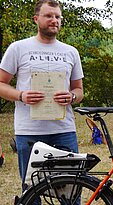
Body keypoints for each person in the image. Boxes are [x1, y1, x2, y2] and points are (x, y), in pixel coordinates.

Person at [0, 0, 84, 188]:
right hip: (29, 131)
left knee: (70, 188)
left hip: (64, 130)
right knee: (32, 189)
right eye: (49, 16)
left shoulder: (71, 52)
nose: (54, 20)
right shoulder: (18, 48)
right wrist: (21, 95)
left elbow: (79, 91)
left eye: (57, 17)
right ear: (36, 19)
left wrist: (71, 97)